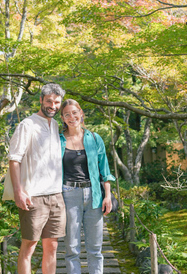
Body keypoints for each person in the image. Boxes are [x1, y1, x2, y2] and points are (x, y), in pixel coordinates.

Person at [3, 83, 66, 274]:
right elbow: (14, 159)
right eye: (49, 101)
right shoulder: (27, 125)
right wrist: (18, 191)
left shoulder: (55, 125)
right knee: (29, 246)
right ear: (41, 100)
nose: (53, 106)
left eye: (57, 102)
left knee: (52, 246)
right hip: (33, 196)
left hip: (56, 195)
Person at [59, 98, 116, 274]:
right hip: (68, 194)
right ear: (62, 118)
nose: (71, 117)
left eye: (74, 112)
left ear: (81, 113)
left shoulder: (94, 138)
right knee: (72, 248)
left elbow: (104, 170)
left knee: (95, 249)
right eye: (67, 114)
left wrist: (107, 195)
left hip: (94, 195)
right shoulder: (58, 140)